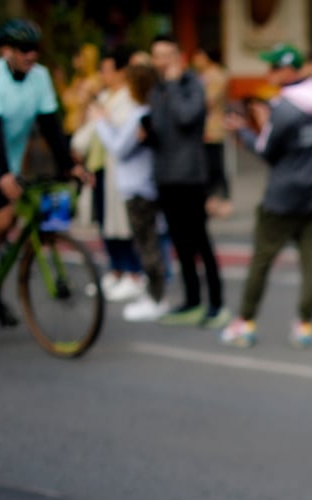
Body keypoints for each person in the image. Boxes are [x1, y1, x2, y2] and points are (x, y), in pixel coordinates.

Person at [0, 18, 86, 327]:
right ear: (5, 51)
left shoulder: (41, 77)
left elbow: (51, 125)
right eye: (24, 49)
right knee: (7, 216)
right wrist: (5, 174)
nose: (31, 56)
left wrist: (70, 165)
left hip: (7, 160)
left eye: (34, 49)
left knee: (21, 221)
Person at [218, 44, 312, 350]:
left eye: (274, 68)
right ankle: (305, 325)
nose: (269, 74)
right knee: (310, 263)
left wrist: (244, 130)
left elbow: (267, 151)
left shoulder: (284, 109)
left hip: (282, 197)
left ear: (289, 70)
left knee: (262, 260)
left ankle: (246, 322)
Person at [147, 34, 225, 328]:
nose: (162, 61)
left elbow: (186, 117)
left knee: (200, 240)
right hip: (165, 175)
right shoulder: (156, 88)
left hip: (190, 175)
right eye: (157, 56)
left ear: (179, 56)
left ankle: (216, 303)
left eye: (167, 54)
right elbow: (159, 129)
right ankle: (192, 300)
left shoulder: (191, 84)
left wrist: (173, 85)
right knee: (179, 242)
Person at [90, 62, 168, 323]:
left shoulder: (140, 115)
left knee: (147, 244)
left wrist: (101, 123)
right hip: (141, 185)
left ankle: (155, 297)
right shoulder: (146, 112)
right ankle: (153, 294)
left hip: (139, 187)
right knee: (147, 242)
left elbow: (119, 148)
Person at [78, 45, 147, 305]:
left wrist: (101, 118)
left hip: (118, 170)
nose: (102, 75)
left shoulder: (129, 98)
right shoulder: (106, 95)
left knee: (122, 226)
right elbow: (90, 128)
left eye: (106, 70)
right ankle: (116, 271)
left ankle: (133, 273)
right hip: (98, 168)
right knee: (105, 223)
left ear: (120, 72)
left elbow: (117, 135)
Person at [191, 47, 231, 218]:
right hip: (203, 128)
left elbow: (208, 101)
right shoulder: (202, 76)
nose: (196, 60)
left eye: (199, 56)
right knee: (207, 167)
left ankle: (224, 200)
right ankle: (211, 201)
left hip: (213, 128)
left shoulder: (215, 75)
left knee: (216, 166)